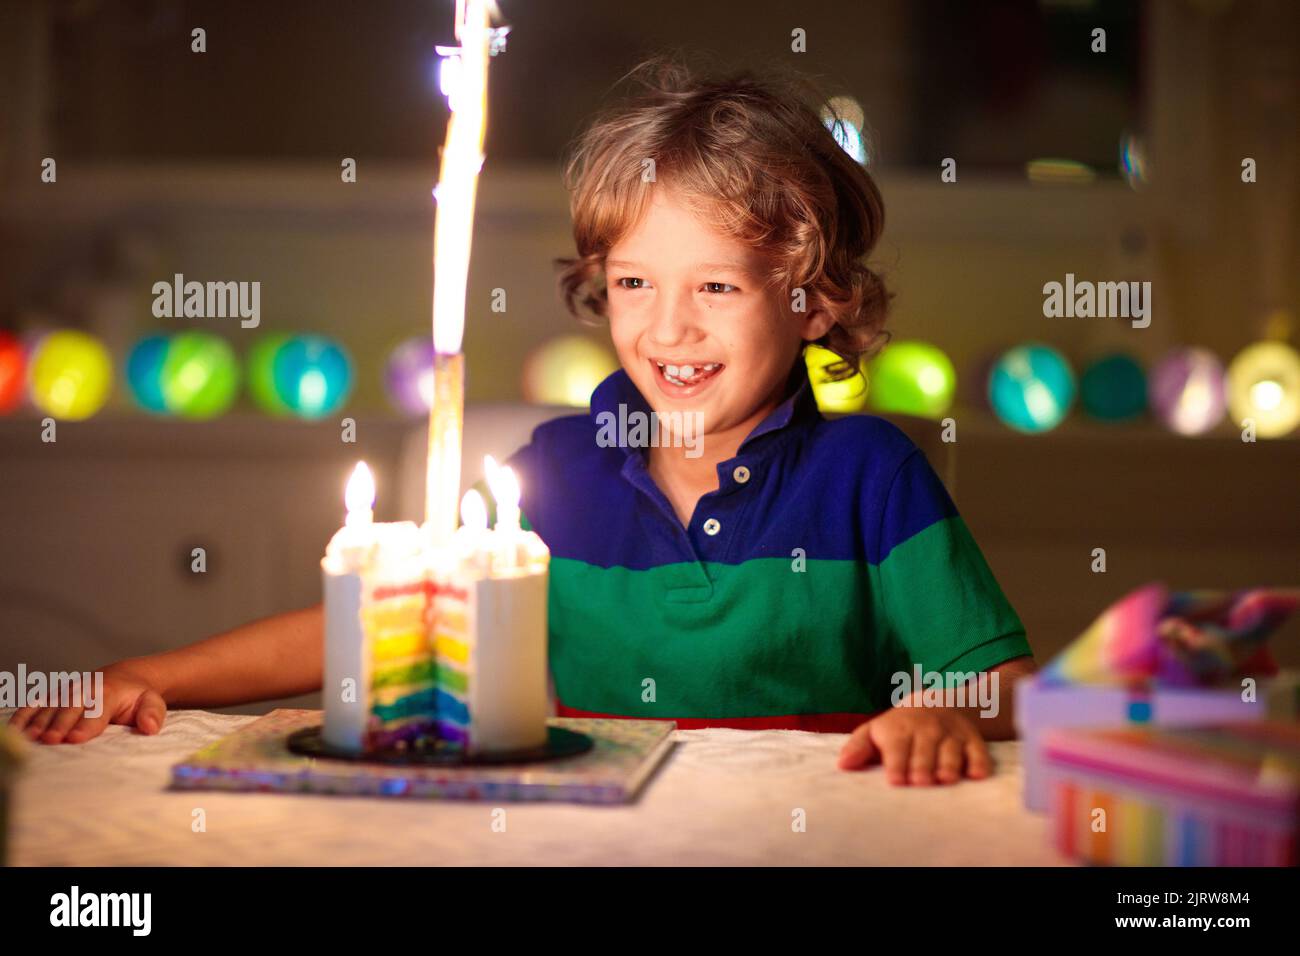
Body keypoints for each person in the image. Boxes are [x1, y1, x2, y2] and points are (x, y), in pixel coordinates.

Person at [10, 53, 1035, 785]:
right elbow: (376, 628)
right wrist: (154, 674)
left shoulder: (868, 474)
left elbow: (1007, 688)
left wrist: (943, 706)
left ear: (811, 299)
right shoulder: (555, 471)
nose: (668, 325)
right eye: (634, 280)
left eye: (716, 287)